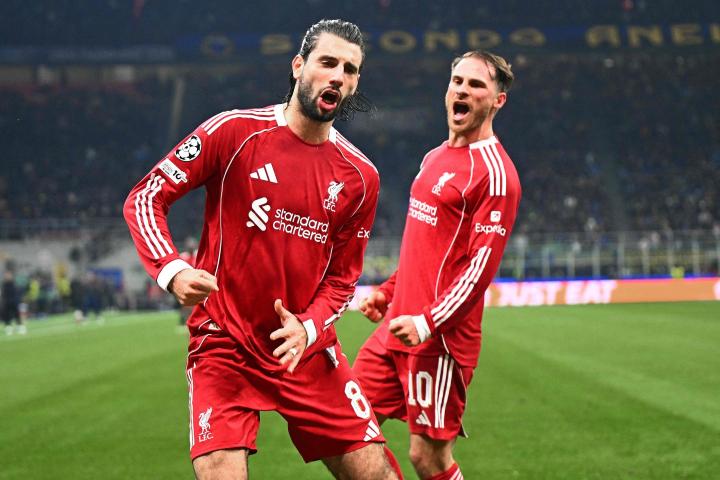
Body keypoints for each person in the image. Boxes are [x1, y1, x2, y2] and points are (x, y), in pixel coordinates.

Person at [123, 19, 399, 480]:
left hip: (305, 350)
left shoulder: (360, 177)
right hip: (224, 343)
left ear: (354, 84)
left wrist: (308, 328)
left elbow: (342, 280)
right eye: (327, 62)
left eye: (349, 70)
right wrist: (171, 269)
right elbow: (147, 197)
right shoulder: (233, 131)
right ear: (298, 66)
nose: (337, 76)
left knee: (378, 475)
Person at [354, 50, 522, 480]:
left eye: (476, 84)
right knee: (347, 425)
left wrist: (428, 323)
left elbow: (479, 268)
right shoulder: (434, 157)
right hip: (397, 325)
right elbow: (423, 248)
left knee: (428, 458)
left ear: (498, 101)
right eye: (457, 81)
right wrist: (388, 293)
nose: (463, 90)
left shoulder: (496, 174)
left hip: (439, 340)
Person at [2, 270, 26, 335]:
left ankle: (20, 327)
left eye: (9, 275)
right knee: (7, 316)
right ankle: (8, 328)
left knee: (17, 315)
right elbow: (3, 295)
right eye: (6, 275)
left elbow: (17, 293)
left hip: (14, 302)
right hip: (7, 303)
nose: (7, 276)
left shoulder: (14, 284)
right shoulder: (4, 285)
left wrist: (18, 301)